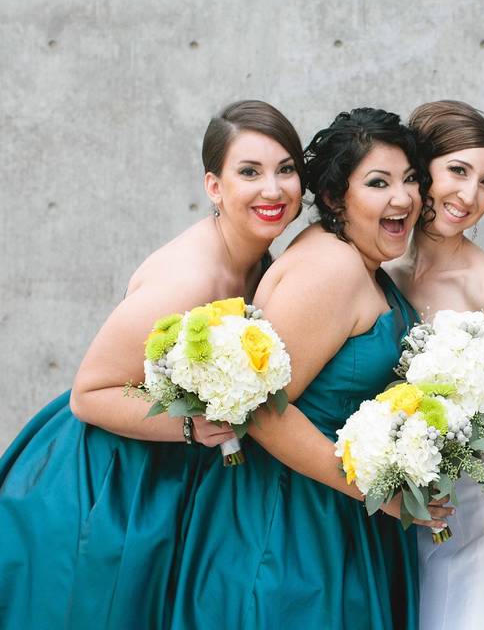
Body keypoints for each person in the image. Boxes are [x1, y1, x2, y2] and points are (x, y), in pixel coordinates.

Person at [0, 100, 305, 628]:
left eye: (286, 170)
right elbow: (88, 393)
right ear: (214, 186)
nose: (273, 190)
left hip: (174, 463)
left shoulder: (259, 257)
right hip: (112, 475)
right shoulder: (188, 280)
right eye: (249, 172)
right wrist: (192, 423)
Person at [168, 107, 450, 629]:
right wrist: (373, 492)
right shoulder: (333, 268)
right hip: (291, 527)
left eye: (410, 179)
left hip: (328, 511)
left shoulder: (359, 260)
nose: (404, 197)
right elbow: (262, 410)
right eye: (378, 182)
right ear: (334, 198)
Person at [386, 100, 484, 630]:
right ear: (420, 169)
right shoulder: (375, 261)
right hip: (383, 499)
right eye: (458, 171)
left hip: (469, 509)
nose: (470, 197)